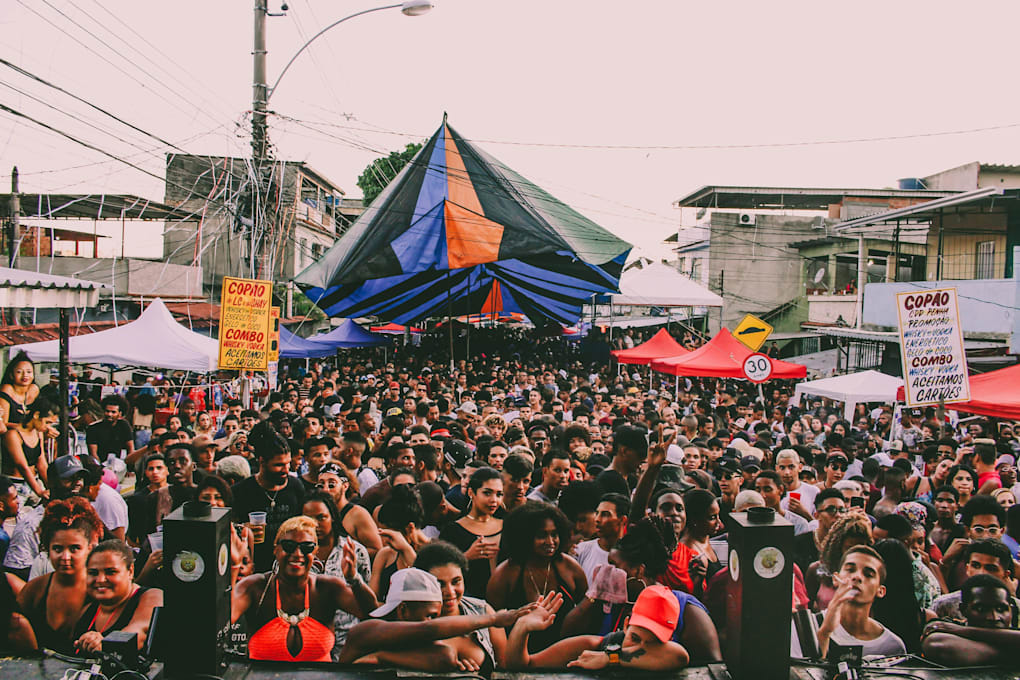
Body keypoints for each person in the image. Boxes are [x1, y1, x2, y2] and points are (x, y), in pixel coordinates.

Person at [562, 515, 722, 664]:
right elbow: (568, 635)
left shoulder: (686, 610)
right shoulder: (609, 601)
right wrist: (593, 595)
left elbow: (713, 667)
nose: (607, 570)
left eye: (614, 565)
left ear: (638, 571)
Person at [231, 516, 377, 662]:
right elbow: (222, 619)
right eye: (289, 546)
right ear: (275, 550)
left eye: (307, 547)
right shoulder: (255, 588)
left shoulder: (327, 588)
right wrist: (233, 567)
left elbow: (371, 612)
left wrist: (354, 578)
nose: (298, 554)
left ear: (315, 553)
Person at [338, 567, 538, 671]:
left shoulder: (416, 645)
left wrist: (381, 658)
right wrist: (493, 619)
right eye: (431, 616)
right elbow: (430, 630)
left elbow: (445, 657)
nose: (435, 620)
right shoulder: (366, 631)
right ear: (403, 610)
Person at [504, 586, 691, 671]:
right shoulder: (593, 645)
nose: (638, 647)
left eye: (653, 643)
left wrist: (610, 658)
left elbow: (679, 656)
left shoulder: (671, 654)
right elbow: (521, 665)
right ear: (626, 625)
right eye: (635, 638)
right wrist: (522, 629)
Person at [487, 501, 587, 652]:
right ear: (524, 537)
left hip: (562, 654)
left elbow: (585, 614)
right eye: (542, 535)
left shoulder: (570, 568)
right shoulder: (506, 573)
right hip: (519, 655)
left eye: (554, 534)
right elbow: (492, 624)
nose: (550, 542)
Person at [17, 497, 105, 654]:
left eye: (74, 548)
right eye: (57, 549)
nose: (65, 557)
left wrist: (102, 639)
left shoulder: (105, 589)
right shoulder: (34, 590)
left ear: (90, 548)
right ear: (47, 548)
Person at [415, 541, 512, 668]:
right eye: (440, 584)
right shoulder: (412, 617)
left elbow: (505, 667)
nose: (450, 592)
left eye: (456, 582)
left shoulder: (482, 610)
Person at [300, 491, 371, 654]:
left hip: (350, 641)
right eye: (308, 519)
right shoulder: (292, 555)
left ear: (332, 517)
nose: (314, 525)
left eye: (321, 517)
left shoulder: (355, 551)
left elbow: (366, 597)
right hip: (309, 642)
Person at [230, 423, 306, 572]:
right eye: (278, 465)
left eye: (288, 463)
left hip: (288, 565)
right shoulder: (241, 491)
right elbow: (227, 528)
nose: (286, 470)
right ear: (262, 461)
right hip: (253, 567)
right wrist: (242, 530)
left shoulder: (296, 487)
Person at [71, 540, 163, 655]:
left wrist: (104, 644)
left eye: (111, 572)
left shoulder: (152, 596)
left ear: (130, 571)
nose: (100, 580)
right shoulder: (86, 610)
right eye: (93, 573)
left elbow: (139, 632)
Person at [816, 545, 907, 658]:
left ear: (880, 591)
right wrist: (824, 633)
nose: (857, 577)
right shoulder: (810, 627)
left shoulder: (892, 646)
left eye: (868, 574)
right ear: (835, 579)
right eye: (850, 570)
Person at [923, 574, 1020, 667]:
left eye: (1001, 609)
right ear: (963, 609)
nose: (994, 617)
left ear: (1011, 610)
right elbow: (937, 646)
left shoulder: (953, 629)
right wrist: (1014, 655)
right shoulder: (947, 625)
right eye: (981, 609)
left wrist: (963, 631)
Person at [438, 467, 503, 599]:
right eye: (487, 493)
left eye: (499, 494)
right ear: (471, 493)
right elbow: (439, 571)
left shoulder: (507, 526)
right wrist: (466, 557)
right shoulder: (452, 531)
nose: (494, 500)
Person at [932, 539, 1018, 621]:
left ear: (1005, 575)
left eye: (991, 568)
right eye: (976, 566)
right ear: (967, 569)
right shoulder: (944, 605)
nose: (981, 573)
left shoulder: (1017, 607)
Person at [2, 397, 57, 500]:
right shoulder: (13, 435)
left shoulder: (38, 432)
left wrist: (51, 488)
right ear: (36, 415)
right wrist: (39, 491)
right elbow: (22, 466)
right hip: (16, 485)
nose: (48, 427)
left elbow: (42, 464)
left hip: (35, 482)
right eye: (47, 422)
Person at [573, 493, 630, 584]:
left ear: (622, 520)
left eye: (605, 514)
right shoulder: (581, 550)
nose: (597, 519)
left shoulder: (629, 556)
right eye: (597, 513)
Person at [0, 353, 41, 436]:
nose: (25, 375)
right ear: (11, 375)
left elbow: (40, 417)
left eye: (29, 372)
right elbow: (3, 423)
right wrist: (27, 428)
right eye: (19, 372)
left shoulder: (34, 389)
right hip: (10, 436)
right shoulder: (7, 389)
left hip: (30, 436)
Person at [86, 395, 134, 462]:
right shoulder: (93, 428)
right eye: (107, 411)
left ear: (120, 414)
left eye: (113, 412)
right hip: (99, 465)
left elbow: (131, 449)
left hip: (117, 465)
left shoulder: (124, 425)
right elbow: (93, 454)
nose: (109, 414)